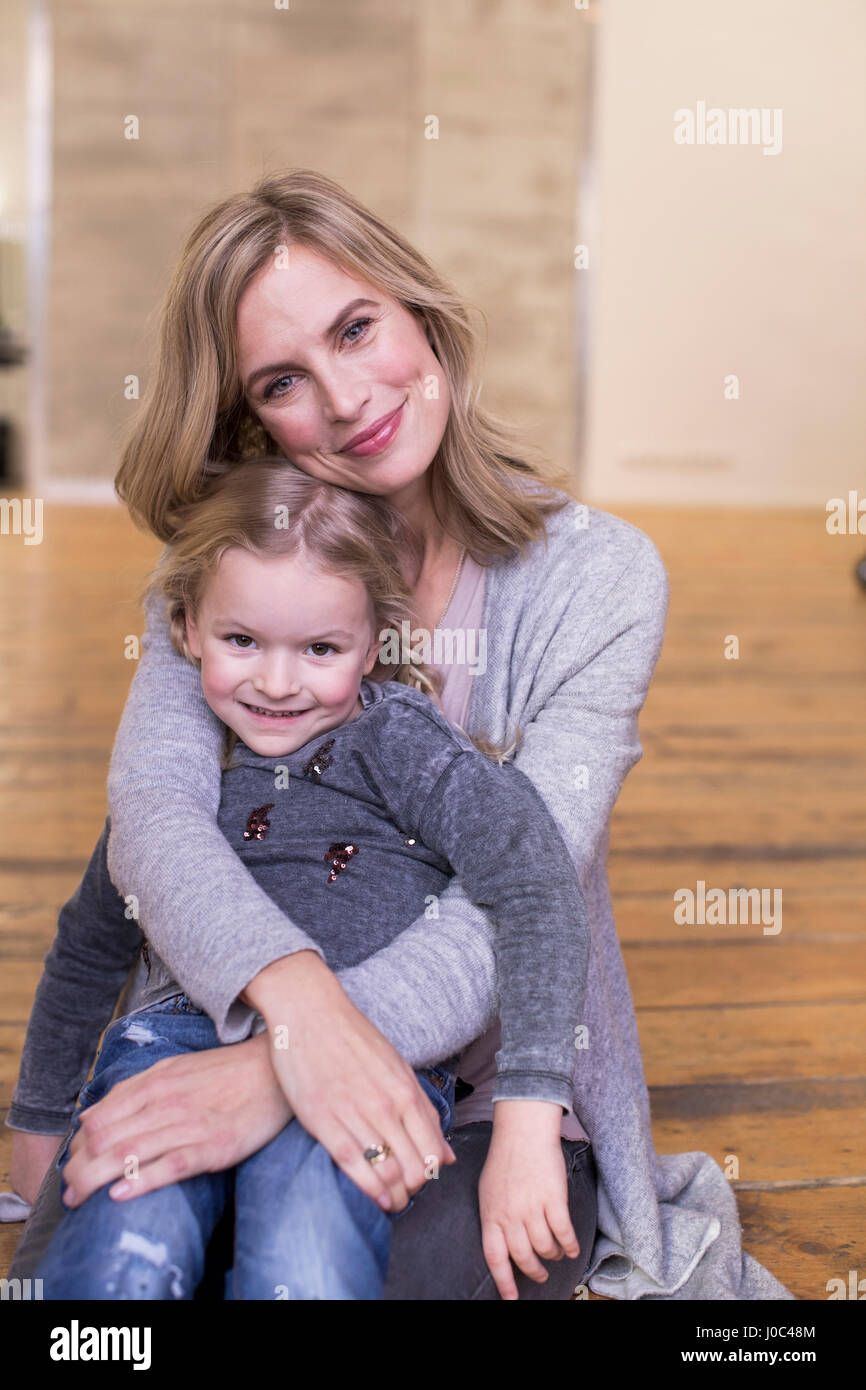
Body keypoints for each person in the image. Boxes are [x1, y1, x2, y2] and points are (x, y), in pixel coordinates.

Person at [7, 168, 791, 1299]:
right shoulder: (225, 576)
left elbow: (522, 885)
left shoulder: (599, 577)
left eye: (356, 327)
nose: (342, 397)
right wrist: (281, 1030)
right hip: (210, 1029)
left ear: (417, 307)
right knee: (100, 1271)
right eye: (283, 379)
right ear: (248, 418)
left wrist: (275, 1075)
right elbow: (153, 821)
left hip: (479, 1089)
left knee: (337, 1271)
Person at [23, 456, 592, 1300]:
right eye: (242, 641)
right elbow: (92, 937)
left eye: (320, 648)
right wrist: (38, 1116)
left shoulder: (404, 747)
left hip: (372, 1060)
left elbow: (538, 884)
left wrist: (531, 1101)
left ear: (372, 644)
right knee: (121, 1248)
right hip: (175, 1045)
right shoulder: (188, 775)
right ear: (185, 628)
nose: (277, 684)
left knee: (307, 1259)